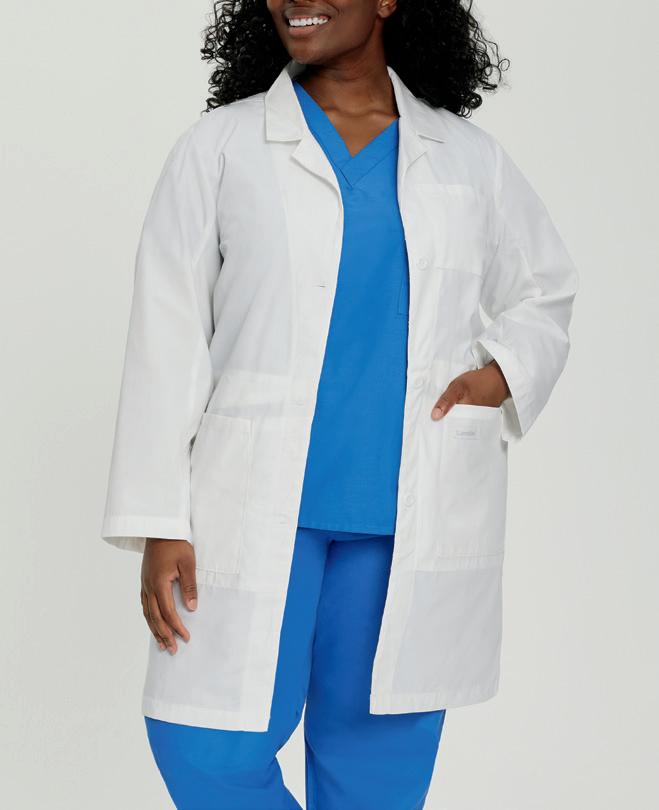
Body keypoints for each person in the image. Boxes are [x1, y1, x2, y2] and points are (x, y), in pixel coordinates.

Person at [101, 0, 579, 807]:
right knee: (203, 748)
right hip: (248, 508)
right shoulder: (220, 148)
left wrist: (498, 374)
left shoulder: (466, 160)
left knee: (373, 778)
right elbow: (166, 335)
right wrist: (158, 519)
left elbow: (544, 289)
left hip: (403, 517)